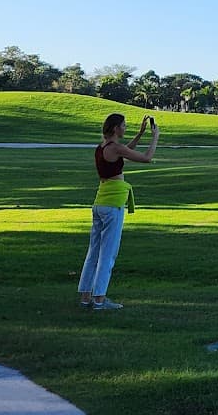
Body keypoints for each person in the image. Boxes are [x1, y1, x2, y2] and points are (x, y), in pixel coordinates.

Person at [77, 111, 158, 311]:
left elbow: (125, 151)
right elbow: (146, 158)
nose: (125, 128)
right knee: (108, 253)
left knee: (93, 252)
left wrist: (140, 134)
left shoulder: (103, 147)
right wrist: (155, 136)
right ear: (116, 128)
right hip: (113, 204)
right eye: (124, 125)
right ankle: (99, 299)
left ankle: (86, 297)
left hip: (100, 203)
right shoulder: (115, 148)